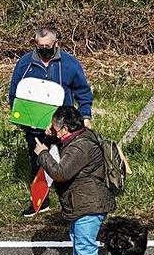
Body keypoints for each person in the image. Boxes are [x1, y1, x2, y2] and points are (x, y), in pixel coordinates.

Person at [9, 26, 94, 217]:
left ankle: (71, 203)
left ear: (56, 43)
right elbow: (15, 95)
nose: (44, 49)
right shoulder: (24, 64)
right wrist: (23, 119)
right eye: (40, 46)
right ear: (35, 45)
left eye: (48, 45)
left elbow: (83, 92)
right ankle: (40, 202)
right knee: (38, 162)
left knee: (68, 164)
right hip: (35, 128)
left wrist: (85, 115)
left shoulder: (70, 64)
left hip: (64, 128)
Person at [34, 105, 115, 255]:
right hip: (82, 201)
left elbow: (60, 172)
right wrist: (53, 137)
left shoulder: (80, 147)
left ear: (65, 128)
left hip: (89, 204)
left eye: (55, 127)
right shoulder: (80, 136)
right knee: (79, 244)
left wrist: (42, 153)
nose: (52, 129)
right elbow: (66, 149)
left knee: (86, 250)